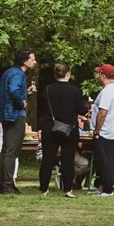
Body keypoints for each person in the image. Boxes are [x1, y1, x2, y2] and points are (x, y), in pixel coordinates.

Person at [0, 50, 35, 196]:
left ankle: (1, 184)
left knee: (5, 150)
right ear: (25, 61)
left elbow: (10, 90)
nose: (34, 62)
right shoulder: (18, 74)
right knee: (12, 150)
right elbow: (13, 90)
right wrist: (21, 103)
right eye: (32, 59)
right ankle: (8, 185)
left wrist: (26, 93)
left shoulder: (9, 72)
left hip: (5, 114)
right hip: (15, 114)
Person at [38, 64, 84, 198]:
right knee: (68, 159)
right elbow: (81, 109)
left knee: (48, 158)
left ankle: (44, 189)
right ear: (68, 74)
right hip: (70, 128)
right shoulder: (74, 91)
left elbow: (42, 109)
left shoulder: (47, 90)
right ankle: (68, 189)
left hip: (50, 126)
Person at [88, 64, 114, 196]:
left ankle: (108, 189)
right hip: (113, 130)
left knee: (105, 160)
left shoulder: (108, 91)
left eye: (99, 74)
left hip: (105, 131)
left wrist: (97, 131)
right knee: (103, 159)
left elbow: (102, 112)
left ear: (103, 75)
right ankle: (101, 186)